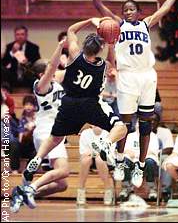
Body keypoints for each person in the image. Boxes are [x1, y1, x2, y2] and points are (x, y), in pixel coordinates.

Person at [83, 0, 178, 186]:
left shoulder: (146, 23)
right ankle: (120, 161)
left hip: (147, 76)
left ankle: (140, 166)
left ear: (139, 12)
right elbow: (98, 5)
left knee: (146, 122)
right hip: (127, 76)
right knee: (126, 121)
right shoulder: (117, 25)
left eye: (132, 9)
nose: (128, 12)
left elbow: (165, 10)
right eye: (125, 9)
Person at [14, 17, 127, 208]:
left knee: (56, 138)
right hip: (90, 104)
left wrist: (90, 21)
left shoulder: (74, 56)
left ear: (84, 47)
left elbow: (71, 31)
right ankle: (106, 143)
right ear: (99, 49)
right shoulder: (103, 66)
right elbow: (111, 61)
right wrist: (112, 43)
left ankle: (38, 158)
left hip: (68, 104)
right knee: (121, 127)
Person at [10, 43, 69, 213]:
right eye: (52, 69)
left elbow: (73, 67)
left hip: (54, 131)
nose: (56, 70)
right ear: (43, 74)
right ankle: (30, 188)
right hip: (47, 131)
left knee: (62, 184)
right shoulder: (41, 86)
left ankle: (22, 194)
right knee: (64, 170)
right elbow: (52, 65)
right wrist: (59, 46)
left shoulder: (55, 81)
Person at [77, 126, 115, 206]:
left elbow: (110, 153)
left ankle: (108, 189)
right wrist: (92, 154)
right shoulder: (85, 133)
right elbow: (83, 153)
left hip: (106, 160)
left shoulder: (109, 133)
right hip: (90, 158)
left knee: (99, 159)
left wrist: (99, 154)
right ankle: (80, 190)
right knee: (85, 160)